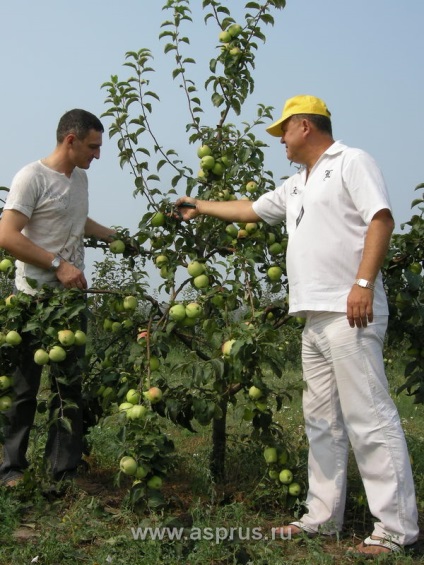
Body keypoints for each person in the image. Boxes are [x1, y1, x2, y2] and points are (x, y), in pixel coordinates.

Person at [176, 95, 419, 556]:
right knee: (321, 421)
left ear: (304, 126)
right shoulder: (295, 185)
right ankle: (322, 517)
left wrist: (363, 283)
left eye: (283, 132)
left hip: (351, 310)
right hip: (312, 315)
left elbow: (381, 220)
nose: (280, 142)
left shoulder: (351, 162)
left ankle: (395, 529)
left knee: (369, 417)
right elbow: (250, 209)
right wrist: (200, 206)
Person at [0, 109, 116, 488]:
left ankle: (62, 472)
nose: (97, 155)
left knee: (70, 388)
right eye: (93, 147)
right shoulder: (31, 177)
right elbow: (7, 236)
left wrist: (117, 238)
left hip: (69, 302)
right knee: (23, 388)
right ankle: (12, 470)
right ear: (71, 140)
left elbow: (78, 221)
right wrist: (58, 265)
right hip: (33, 301)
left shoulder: (79, 180)